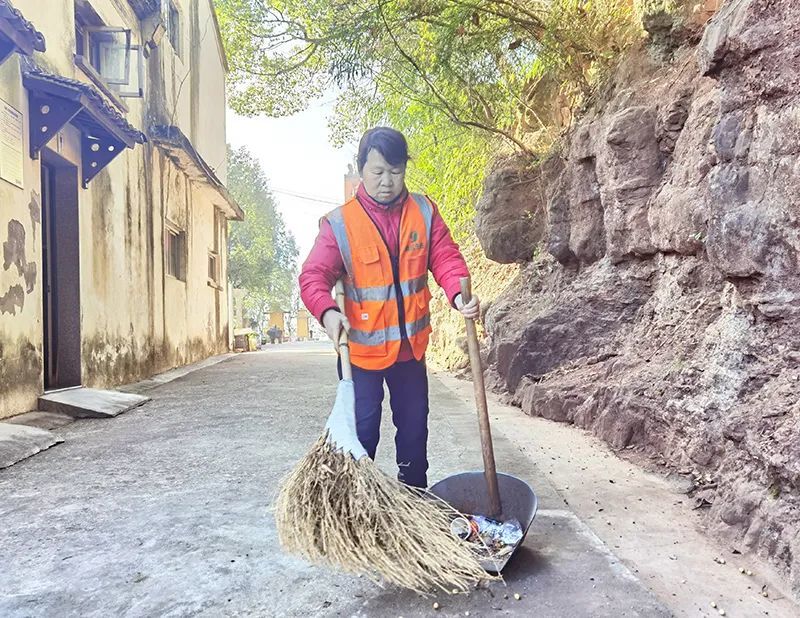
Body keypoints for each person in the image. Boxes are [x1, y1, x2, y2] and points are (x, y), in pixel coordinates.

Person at [299, 127, 479, 488]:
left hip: (410, 351)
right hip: (361, 354)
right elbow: (313, 276)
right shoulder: (340, 224)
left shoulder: (424, 212)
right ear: (361, 169)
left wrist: (458, 294)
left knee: (414, 429)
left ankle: (413, 498)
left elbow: (445, 257)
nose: (387, 182)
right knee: (362, 432)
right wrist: (327, 312)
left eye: (395, 172)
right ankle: (360, 500)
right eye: (377, 172)